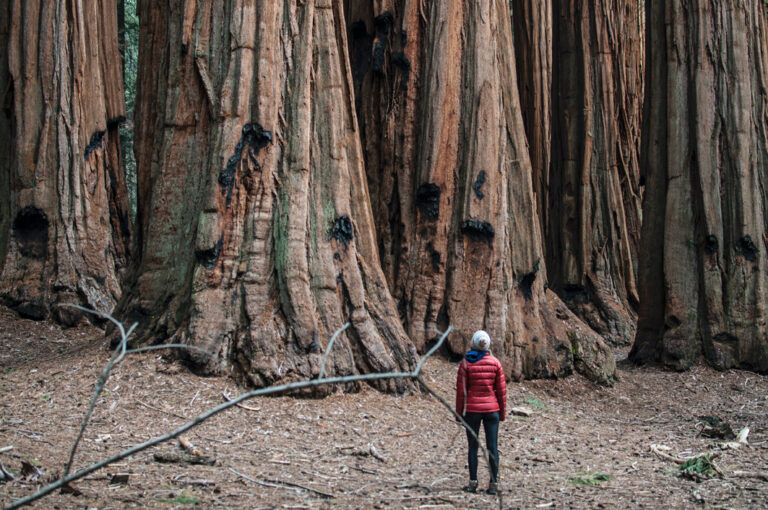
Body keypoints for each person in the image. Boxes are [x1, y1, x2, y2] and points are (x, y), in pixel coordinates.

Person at [455, 330, 506, 495]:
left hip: (472, 411)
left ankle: (473, 482)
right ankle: (493, 484)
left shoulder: (466, 364)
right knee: (492, 447)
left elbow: (461, 392)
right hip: (492, 411)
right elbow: (501, 392)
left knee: (472, 447)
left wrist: (459, 413)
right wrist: (502, 413)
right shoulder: (496, 363)